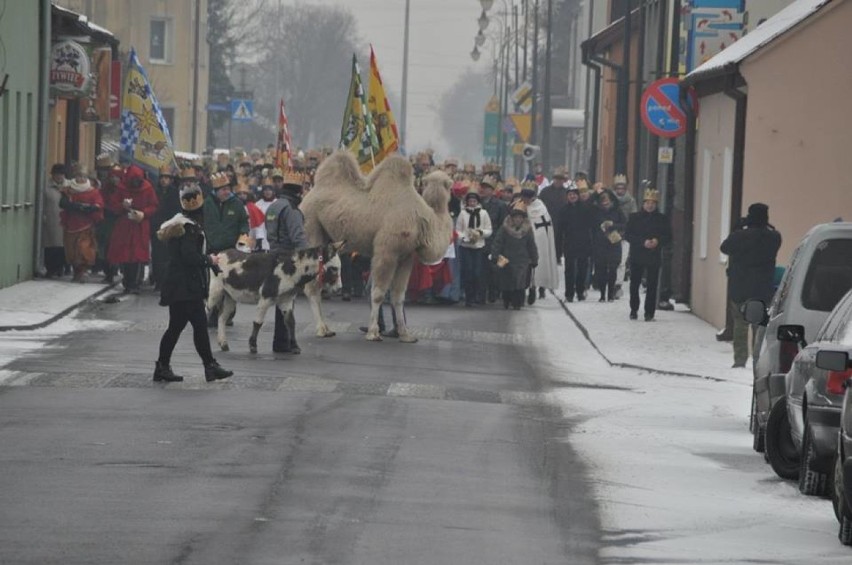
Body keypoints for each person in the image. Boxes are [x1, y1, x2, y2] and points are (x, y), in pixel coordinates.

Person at [154, 181, 232, 383]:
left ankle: (163, 367)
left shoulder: (184, 224)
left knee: (178, 328)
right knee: (198, 326)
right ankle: (209, 366)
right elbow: (189, 257)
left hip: (182, 285)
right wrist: (209, 260)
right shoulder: (187, 228)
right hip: (185, 286)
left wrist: (211, 263)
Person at [720, 203, 782, 368]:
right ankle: (758, 360)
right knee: (759, 325)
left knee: (740, 324)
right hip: (762, 288)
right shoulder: (774, 237)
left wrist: (738, 228)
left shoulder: (740, 236)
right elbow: (774, 238)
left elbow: (724, 247)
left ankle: (740, 359)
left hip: (739, 286)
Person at [265, 169, 307, 353]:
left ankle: (281, 341)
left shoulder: (274, 206)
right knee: (287, 302)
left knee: (281, 302)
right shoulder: (292, 210)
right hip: (288, 259)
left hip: (273, 256)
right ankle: (286, 342)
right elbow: (298, 238)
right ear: (298, 191)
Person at [106, 164, 159, 294]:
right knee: (124, 254)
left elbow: (153, 206)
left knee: (137, 255)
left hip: (140, 225)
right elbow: (113, 205)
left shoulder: (147, 188)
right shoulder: (121, 188)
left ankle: (134, 282)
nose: (135, 183)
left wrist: (143, 213)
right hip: (125, 224)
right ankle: (127, 281)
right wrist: (122, 206)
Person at [624, 188, 672, 321]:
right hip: (637, 254)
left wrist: (658, 241)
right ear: (643, 204)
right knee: (634, 284)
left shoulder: (662, 219)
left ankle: (649, 312)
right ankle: (634, 309)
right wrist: (642, 242)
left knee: (652, 285)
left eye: (652, 203)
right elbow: (628, 235)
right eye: (647, 203)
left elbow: (668, 236)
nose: (650, 205)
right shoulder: (634, 218)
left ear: (656, 205)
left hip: (653, 255)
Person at [59, 165, 104, 282]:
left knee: (83, 249)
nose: (81, 179)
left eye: (84, 176)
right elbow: (63, 203)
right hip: (71, 223)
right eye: (79, 176)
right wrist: (77, 206)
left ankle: (82, 271)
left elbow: (98, 205)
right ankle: (76, 272)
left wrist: (88, 208)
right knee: (72, 250)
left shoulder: (92, 191)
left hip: (86, 225)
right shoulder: (68, 190)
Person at [490, 201, 538, 310]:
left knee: (520, 282)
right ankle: (507, 299)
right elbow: (498, 242)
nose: (518, 219)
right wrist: (495, 255)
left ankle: (518, 302)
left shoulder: (527, 230)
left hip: (522, 260)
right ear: (512, 218)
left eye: (520, 217)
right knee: (507, 282)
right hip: (507, 258)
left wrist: (534, 259)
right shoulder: (504, 229)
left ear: (523, 219)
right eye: (516, 217)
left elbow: (531, 245)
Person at [520, 181, 559, 304]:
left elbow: (544, 226)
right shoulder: (520, 205)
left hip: (539, 241)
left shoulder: (541, 207)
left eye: (527, 197)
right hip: (524, 241)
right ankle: (522, 289)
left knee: (538, 265)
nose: (525, 199)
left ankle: (535, 287)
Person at [456, 190, 493, 307]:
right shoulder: (463, 214)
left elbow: (489, 229)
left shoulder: (483, 213)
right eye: (470, 201)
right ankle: (469, 297)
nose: (472, 203)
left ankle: (477, 294)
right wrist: (464, 237)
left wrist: (480, 232)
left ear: (477, 202)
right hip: (466, 246)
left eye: (474, 201)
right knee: (468, 271)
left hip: (479, 246)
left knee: (477, 272)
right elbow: (458, 230)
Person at [558, 184, 593, 302]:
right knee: (569, 269)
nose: (572, 196)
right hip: (569, 242)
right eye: (570, 194)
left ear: (578, 195)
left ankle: (580, 291)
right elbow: (560, 229)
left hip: (584, 242)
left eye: (574, 194)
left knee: (582, 268)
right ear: (567, 196)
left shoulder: (585, 208)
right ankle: (569, 293)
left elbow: (591, 224)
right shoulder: (563, 210)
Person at [591, 189, 626, 302]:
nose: (605, 202)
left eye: (607, 199)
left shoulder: (618, 211)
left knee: (612, 269)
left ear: (611, 200)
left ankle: (610, 293)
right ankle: (602, 294)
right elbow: (592, 225)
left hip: (614, 243)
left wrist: (613, 225)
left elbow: (624, 224)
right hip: (600, 243)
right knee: (601, 270)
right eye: (603, 200)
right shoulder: (596, 211)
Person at [151, 165, 181, 290]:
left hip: (169, 227)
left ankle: (166, 281)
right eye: (162, 178)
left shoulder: (175, 193)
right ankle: (158, 280)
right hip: (156, 227)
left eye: (167, 178)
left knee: (168, 256)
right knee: (156, 255)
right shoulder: (154, 191)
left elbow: (177, 211)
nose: (164, 180)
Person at [479, 175, 509, 303]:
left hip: (494, 241)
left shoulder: (500, 205)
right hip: (480, 241)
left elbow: (504, 224)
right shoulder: (477, 203)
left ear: (492, 190)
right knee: (481, 270)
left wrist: (500, 241)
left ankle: (493, 292)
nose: (484, 190)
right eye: (483, 188)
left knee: (494, 270)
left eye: (487, 188)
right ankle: (481, 295)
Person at [538, 167, 569, 266]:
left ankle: (557, 257)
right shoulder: (545, 192)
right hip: (547, 220)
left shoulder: (566, 192)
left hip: (561, 221)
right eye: (557, 179)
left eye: (560, 179)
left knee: (559, 240)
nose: (558, 181)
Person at [612, 174, 637, 298]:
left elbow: (633, 218)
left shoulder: (631, 201)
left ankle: (618, 284)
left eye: (622, 188)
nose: (620, 190)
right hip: (612, 234)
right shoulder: (610, 201)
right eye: (618, 188)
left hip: (625, 234)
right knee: (612, 260)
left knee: (622, 261)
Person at [43, 164, 67, 278]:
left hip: (66, 220)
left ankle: (61, 268)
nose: (59, 176)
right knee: (50, 245)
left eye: (61, 174)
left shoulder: (69, 186)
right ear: (52, 175)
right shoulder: (46, 187)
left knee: (63, 246)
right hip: (51, 219)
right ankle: (50, 269)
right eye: (56, 174)